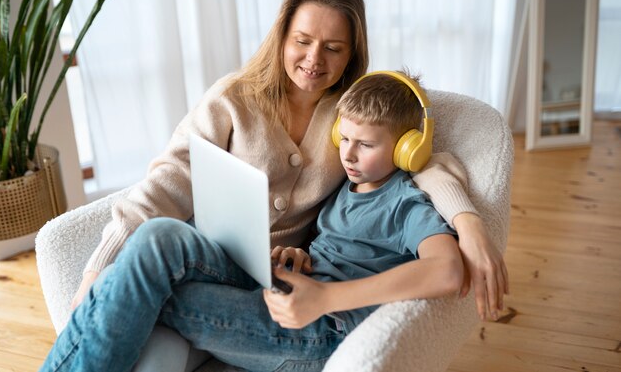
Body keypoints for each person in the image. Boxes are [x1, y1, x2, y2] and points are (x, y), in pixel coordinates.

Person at [64, 0, 506, 369]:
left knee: (137, 296)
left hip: (281, 277)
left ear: (352, 54)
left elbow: (419, 165)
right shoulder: (233, 98)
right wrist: (96, 270)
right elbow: (165, 182)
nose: (315, 59)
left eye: (333, 48)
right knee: (158, 237)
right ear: (282, 36)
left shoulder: (351, 113)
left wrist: (468, 223)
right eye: (302, 41)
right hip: (218, 256)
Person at [40, 70, 465, 372]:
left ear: (409, 149)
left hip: (319, 333)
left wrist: (325, 298)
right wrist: (300, 256)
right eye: (345, 139)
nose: (349, 155)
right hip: (284, 293)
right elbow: (339, 249)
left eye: (366, 145)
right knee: (159, 238)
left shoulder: (404, 204)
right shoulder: (349, 185)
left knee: (142, 290)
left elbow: (447, 269)